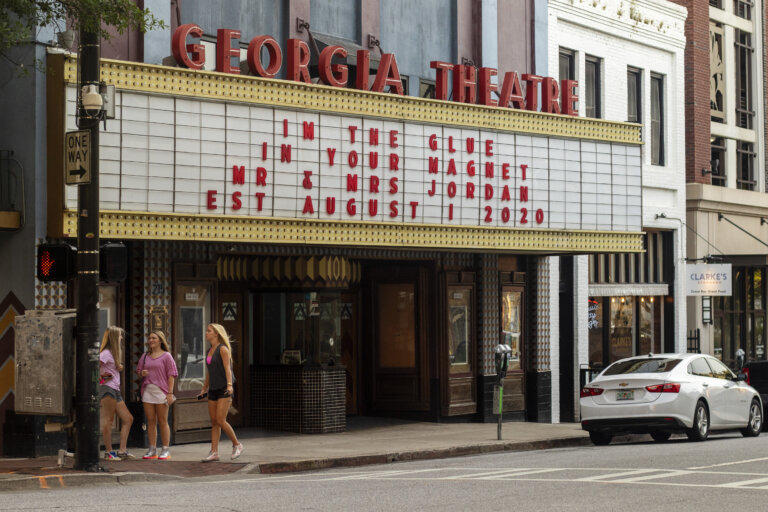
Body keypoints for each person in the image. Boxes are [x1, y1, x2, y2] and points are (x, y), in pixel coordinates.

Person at [199, 323, 243, 462]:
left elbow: (227, 368)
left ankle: (237, 445)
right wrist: (204, 388)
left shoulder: (223, 349)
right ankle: (214, 452)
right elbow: (209, 372)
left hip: (224, 388)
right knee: (214, 422)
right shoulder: (209, 351)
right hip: (213, 389)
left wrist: (230, 385)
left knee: (220, 419)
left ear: (216, 334)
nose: (206, 333)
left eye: (209, 331)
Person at [136, 331, 178, 460]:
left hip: (162, 392)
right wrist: (141, 373)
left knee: (163, 421)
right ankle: (152, 449)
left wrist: (170, 393)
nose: (151, 340)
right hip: (147, 391)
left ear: (160, 340)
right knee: (151, 421)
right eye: (149, 338)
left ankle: (165, 449)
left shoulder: (167, 356)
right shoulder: (145, 356)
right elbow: (138, 372)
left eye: (154, 338)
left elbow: (172, 375)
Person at [99, 326, 134, 460]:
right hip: (107, 388)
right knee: (109, 420)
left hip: (115, 389)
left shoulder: (113, 353)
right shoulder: (106, 353)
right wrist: (102, 376)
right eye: (119, 335)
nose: (121, 338)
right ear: (114, 337)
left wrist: (118, 367)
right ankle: (109, 452)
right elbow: (93, 365)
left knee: (128, 419)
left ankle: (122, 451)